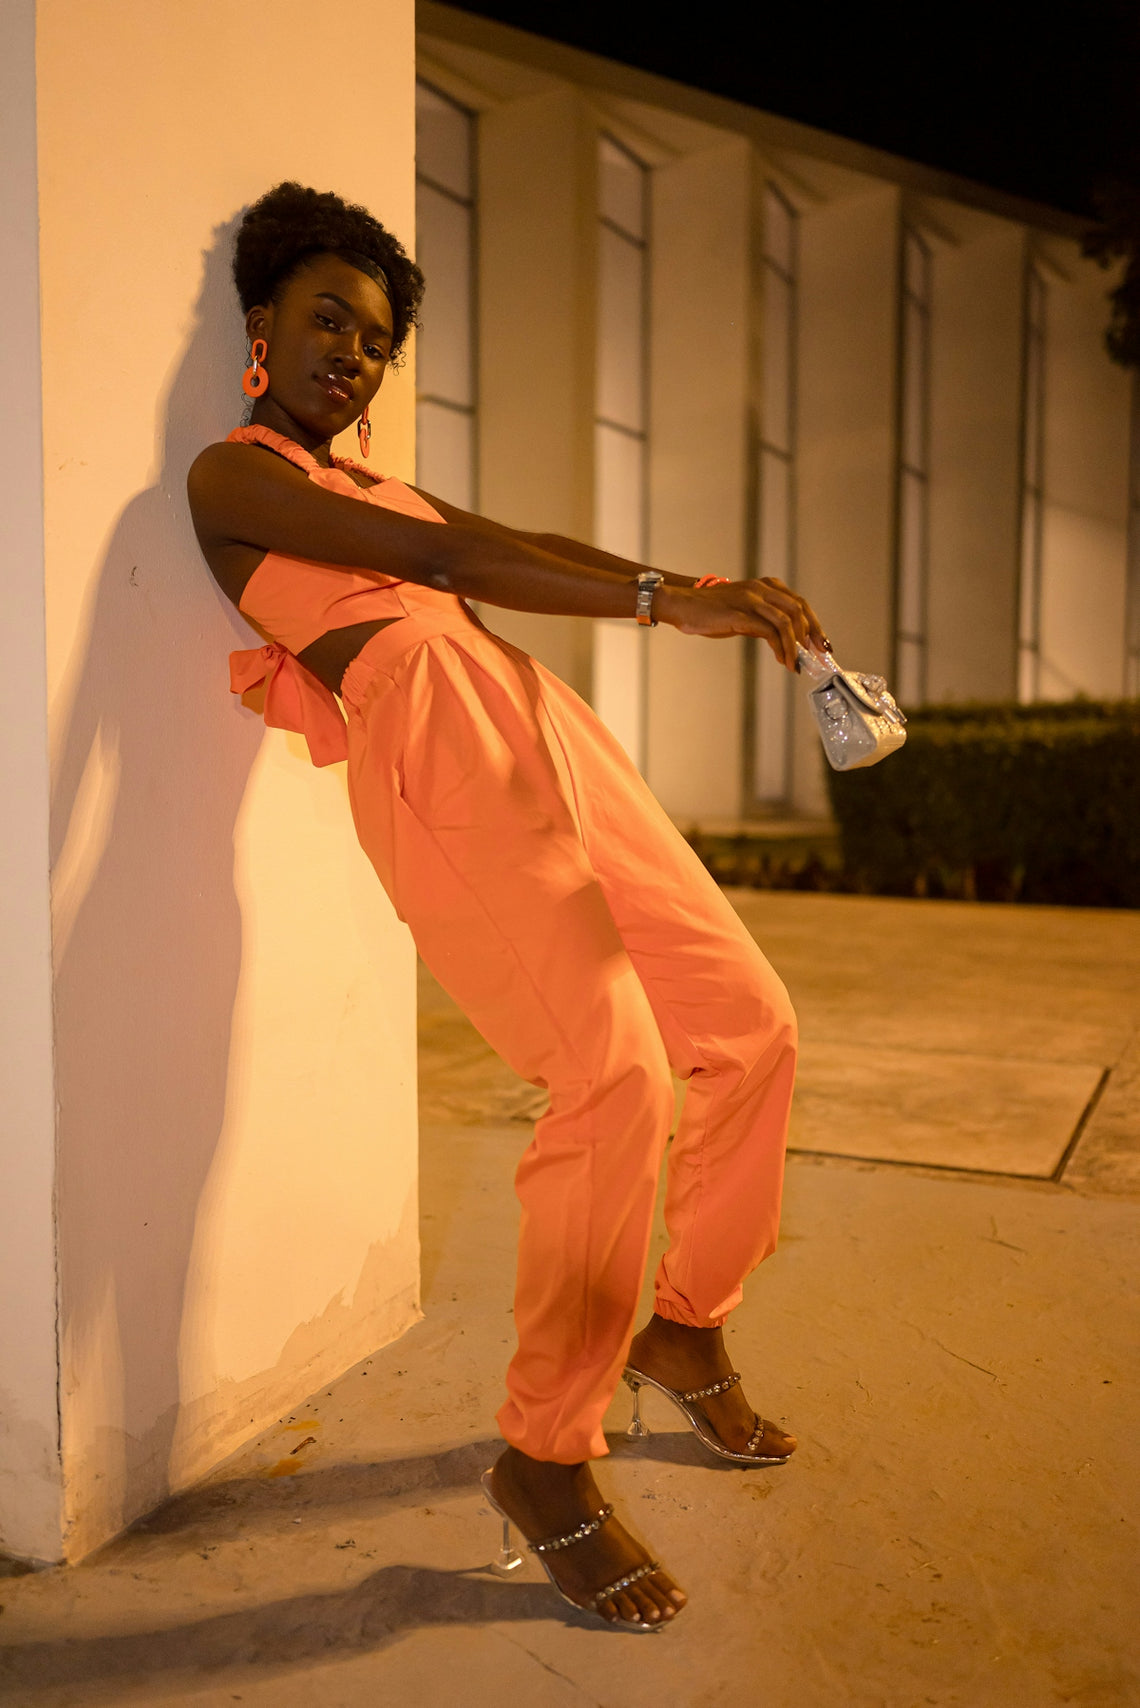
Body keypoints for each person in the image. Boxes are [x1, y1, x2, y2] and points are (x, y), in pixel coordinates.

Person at [187, 182, 830, 1634]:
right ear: (263, 329)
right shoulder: (232, 482)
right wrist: (670, 602)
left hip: (543, 725)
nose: (351, 353)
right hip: (440, 748)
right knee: (612, 1080)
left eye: (373, 338)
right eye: (326, 320)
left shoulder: (384, 488)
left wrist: (714, 585)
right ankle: (545, 1462)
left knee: (752, 1026)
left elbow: (504, 537)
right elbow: (454, 568)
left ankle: (685, 1322)